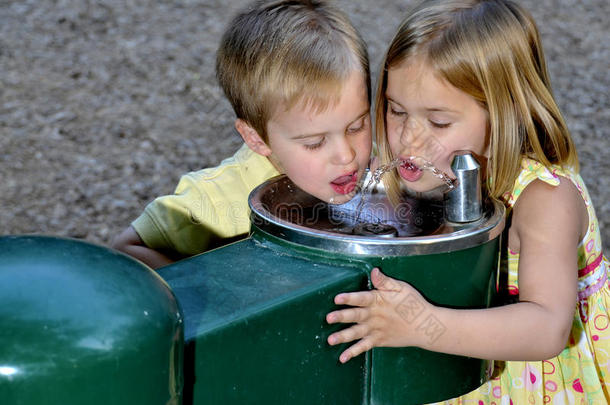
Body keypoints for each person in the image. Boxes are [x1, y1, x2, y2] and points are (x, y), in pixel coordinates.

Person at [325, 0, 609, 402]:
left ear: (504, 115)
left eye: (438, 121)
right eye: (396, 110)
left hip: (542, 386)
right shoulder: (426, 172)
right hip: (462, 369)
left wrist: (423, 326)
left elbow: (547, 329)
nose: (409, 138)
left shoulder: (546, 199)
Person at [112, 0, 372, 269]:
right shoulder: (215, 200)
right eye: (314, 143)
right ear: (256, 138)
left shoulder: (376, 174)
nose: (346, 155)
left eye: (356, 126)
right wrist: (211, 289)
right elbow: (125, 250)